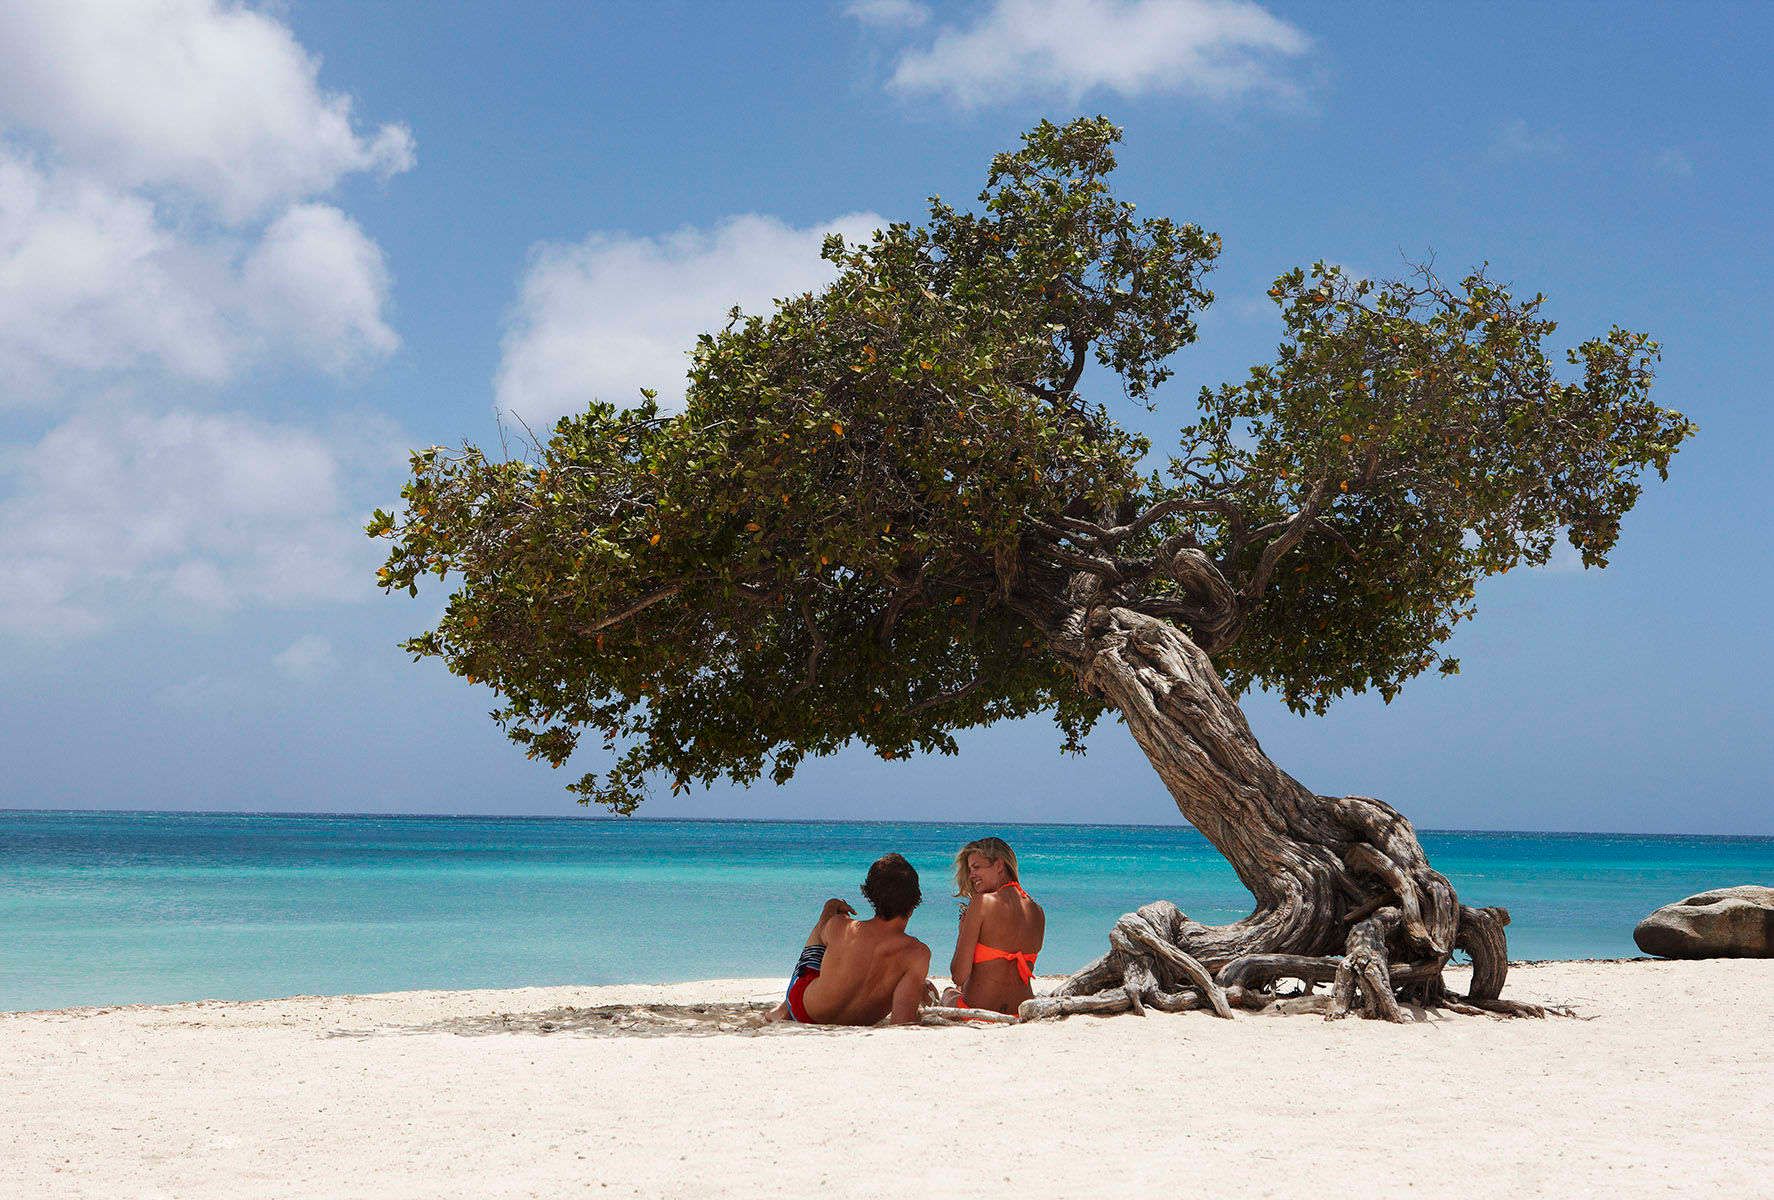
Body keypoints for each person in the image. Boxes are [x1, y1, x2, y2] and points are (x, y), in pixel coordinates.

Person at [763, 852, 932, 1026]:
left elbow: (821, 930)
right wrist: (916, 987)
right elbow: (902, 1022)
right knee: (908, 974)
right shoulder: (917, 954)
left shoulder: (842, 927)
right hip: (857, 1023)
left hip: (804, 1010)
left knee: (824, 929)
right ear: (913, 904)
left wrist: (830, 908)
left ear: (871, 896)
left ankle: (782, 1010)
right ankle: (782, 1009)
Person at [940, 837, 1045, 1015]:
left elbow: (958, 974)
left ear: (999, 866)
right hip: (1018, 1013)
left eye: (977, 867)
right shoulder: (1038, 911)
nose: (971, 875)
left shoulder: (982, 903)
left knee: (948, 992)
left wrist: (963, 929)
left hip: (977, 1012)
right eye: (970, 869)